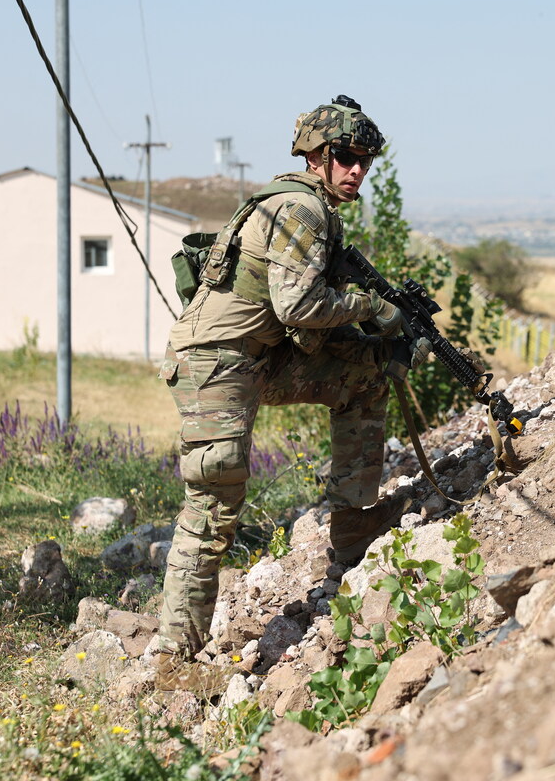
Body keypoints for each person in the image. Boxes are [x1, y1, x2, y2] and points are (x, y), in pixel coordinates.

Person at [150, 95, 426, 685]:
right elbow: (299, 306)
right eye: (347, 158)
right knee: (215, 497)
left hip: (258, 358)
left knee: (367, 376)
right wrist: (375, 308)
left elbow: (300, 322)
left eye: (365, 162)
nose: (357, 171)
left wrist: (373, 337)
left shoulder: (311, 210)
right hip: (216, 365)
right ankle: (173, 656)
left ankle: (354, 524)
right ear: (318, 157)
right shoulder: (299, 210)